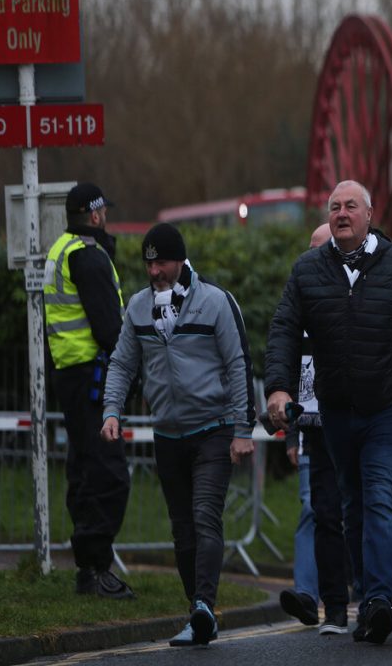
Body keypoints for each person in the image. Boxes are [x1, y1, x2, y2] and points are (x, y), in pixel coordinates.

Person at [263, 180, 392, 646]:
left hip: (389, 405)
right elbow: (284, 329)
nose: (342, 213)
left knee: (382, 494)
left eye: (351, 206)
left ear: (369, 214)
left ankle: (379, 600)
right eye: (334, 207)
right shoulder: (307, 270)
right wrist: (278, 389)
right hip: (337, 410)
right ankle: (366, 600)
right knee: (353, 506)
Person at [100, 223, 256, 646]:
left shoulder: (215, 302)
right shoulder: (137, 308)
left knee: (206, 517)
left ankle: (204, 604)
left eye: (162, 262)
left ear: (181, 260)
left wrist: (243, 430)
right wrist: (112, 410)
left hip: (213, 431)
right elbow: (120, 364)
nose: (155, 271)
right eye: (149, 263)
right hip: (167, 434)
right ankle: (197, 612)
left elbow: (239, 364)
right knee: (182, 528)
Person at [42, 183, 134, 600]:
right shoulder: (88, 257)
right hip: (93, 377)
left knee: (82, 470)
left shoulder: (60, 249)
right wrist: (132, 371)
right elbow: (109, 329)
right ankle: (96, 568)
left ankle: (88, 569)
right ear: (95, 215)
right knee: (109, 474)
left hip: (70, 376)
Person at [277, 223, 350, 635]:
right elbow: (289, 365)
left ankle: (360, 589)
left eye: (317, 248)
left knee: (350, 508)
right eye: (309, 248)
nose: (310, 255)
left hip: (352, 421)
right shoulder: (298, 299)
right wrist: (291, 432)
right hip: (310, 426)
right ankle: (309, 595)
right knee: (314, 509)